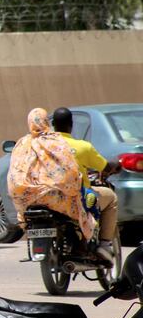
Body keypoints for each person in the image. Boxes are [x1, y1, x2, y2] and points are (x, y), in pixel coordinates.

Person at [8, 108, 95, 241]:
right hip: (54, 199)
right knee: (81, 205)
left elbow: (14, 173)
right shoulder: (56, 141)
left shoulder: (22, 144)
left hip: (26, 199)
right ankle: (83, 239)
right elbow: (70, 170)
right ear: (47, 122)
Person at [52, 107, 121, 261]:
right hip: (77, 196)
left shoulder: (44, 148)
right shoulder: (82, 147)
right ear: (71, 125)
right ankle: (104, 244)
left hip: (50, 196)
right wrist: (115, 165)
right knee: (110, 198)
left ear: (53, 125)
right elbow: (105, 167)